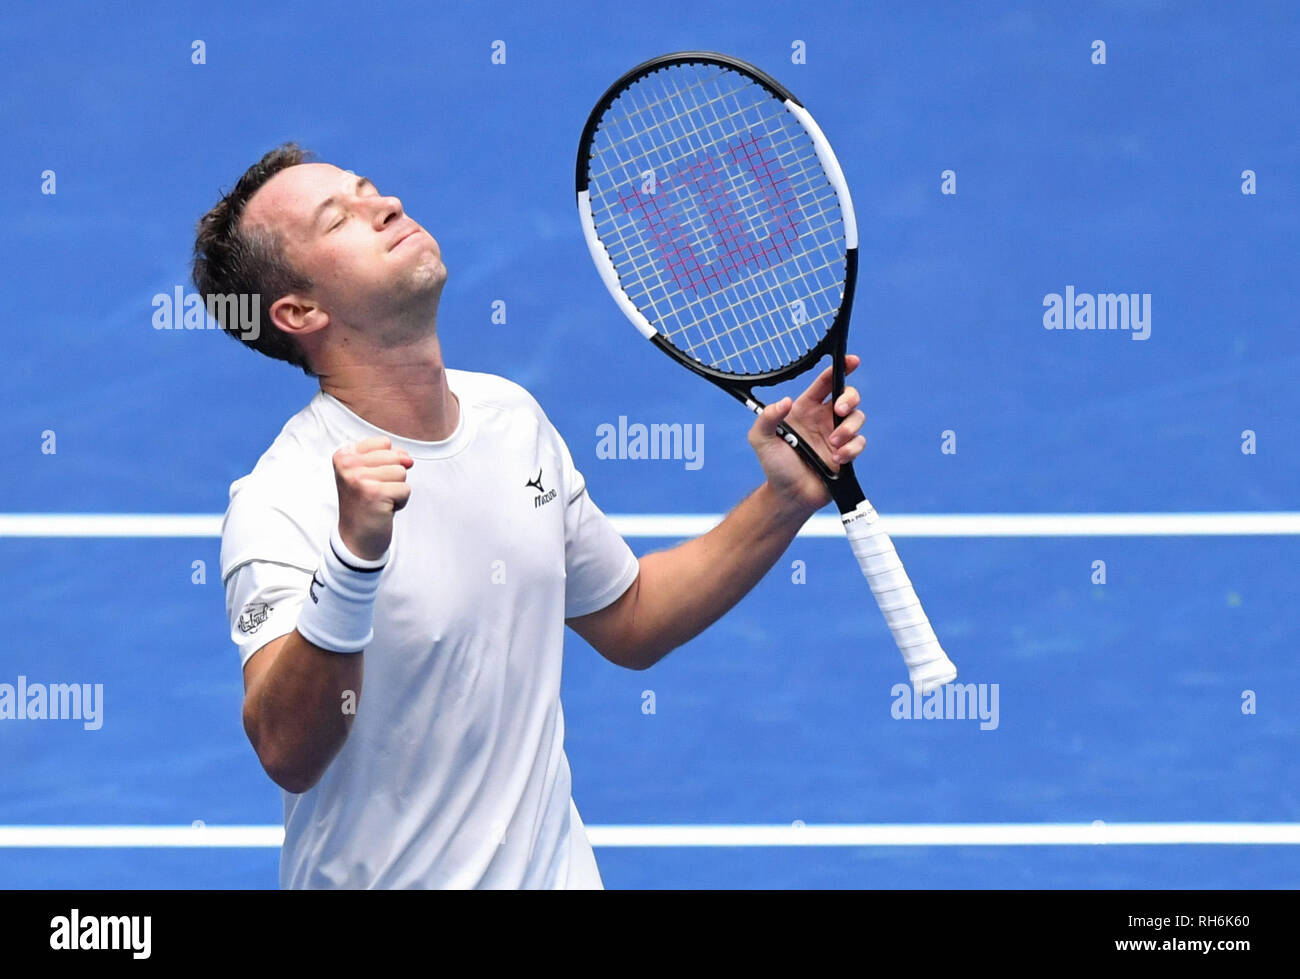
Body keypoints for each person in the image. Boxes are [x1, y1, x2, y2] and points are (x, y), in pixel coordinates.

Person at [193, 143, 867, 889]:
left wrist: (782, 500)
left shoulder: (511, 418)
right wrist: (352, 563)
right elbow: (287, 748)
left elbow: (633, 616)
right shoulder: (284, 497)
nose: (384, 205)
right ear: (299, 311)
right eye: (339, 218)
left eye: (371, 189)